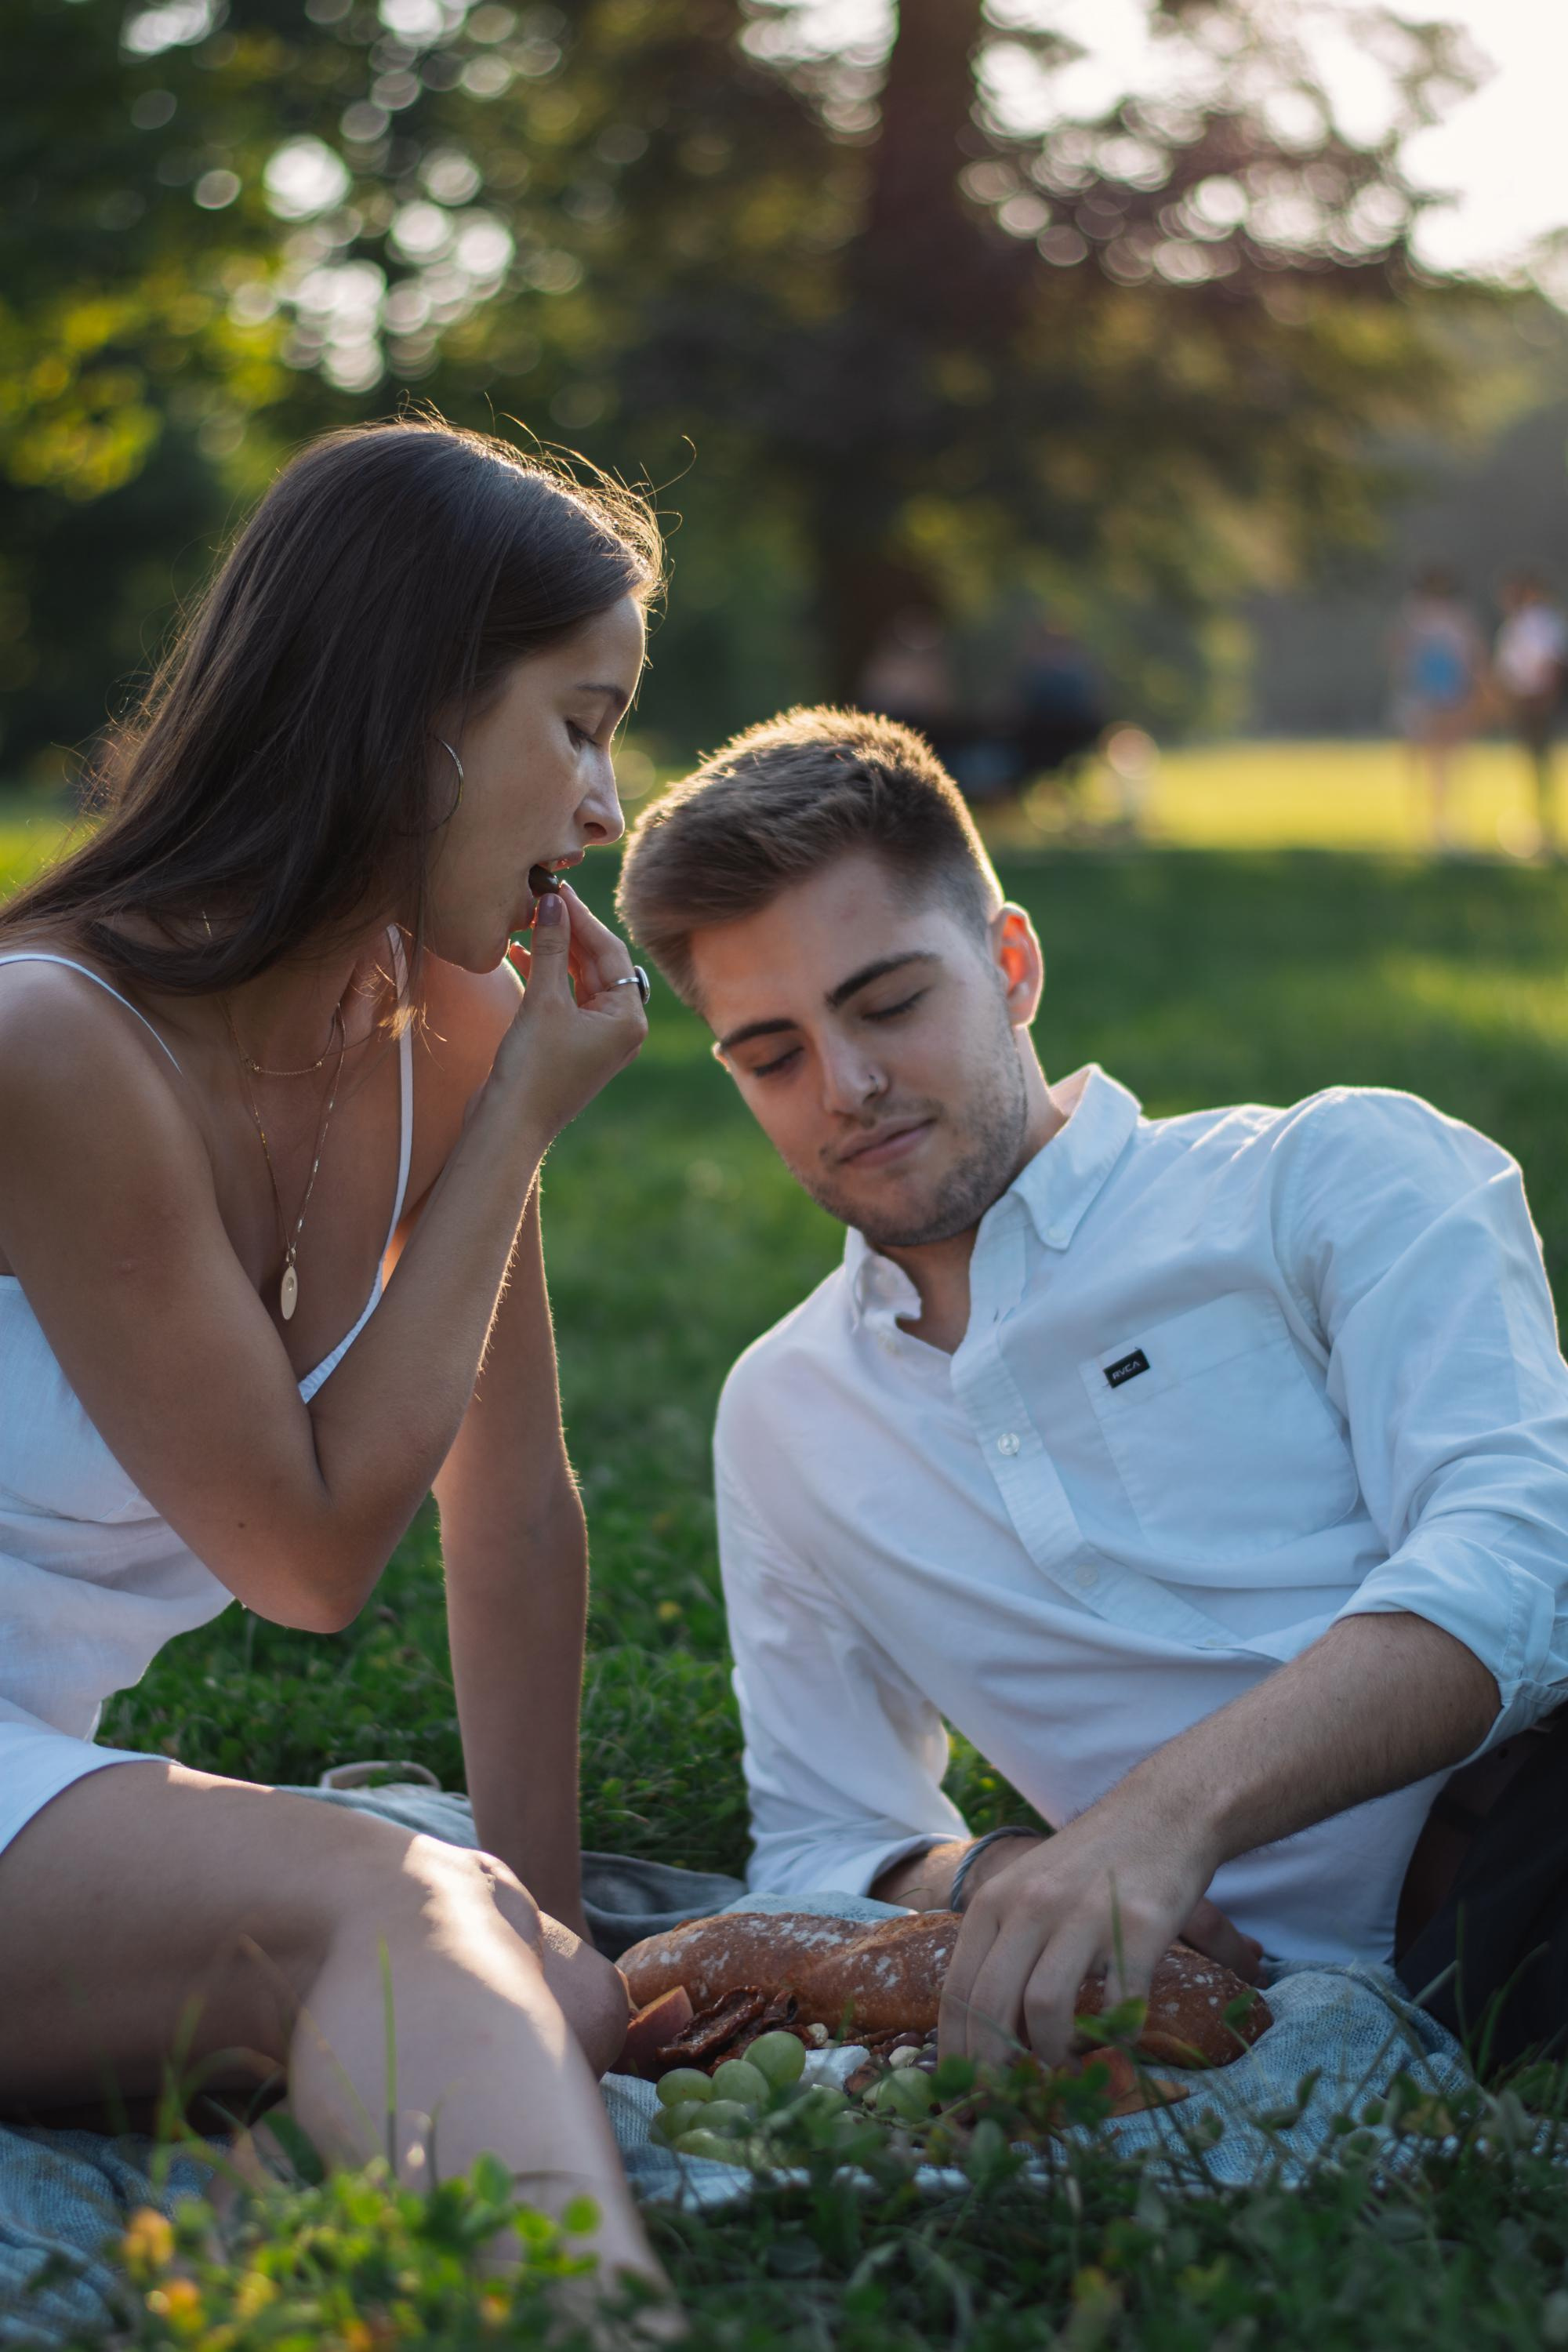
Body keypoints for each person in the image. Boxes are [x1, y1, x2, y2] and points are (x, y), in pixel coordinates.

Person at [616, 706, 1568, 2074]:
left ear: (1011, 966)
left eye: (889, 1003)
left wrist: (1157, 1822)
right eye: (773, 1056)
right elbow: (824, 1839)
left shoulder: (1332, 1176)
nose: (851, 1084)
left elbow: (1526, 1553)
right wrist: (1008, 1875)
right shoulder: (786, 1415)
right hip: (1252, 2011)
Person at [0, 419, 665, 2292]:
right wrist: (520, 1125)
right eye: (580, 721)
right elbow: (303, 1558)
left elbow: (509, 1505)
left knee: (518, 1971)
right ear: (416, 713)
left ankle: (269, 2246)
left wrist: (551, 1917)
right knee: (386, 1898)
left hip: (26, 1770)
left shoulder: (441, 1027)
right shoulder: (57, 1043)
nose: (606, 805)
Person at [1389, 565, 1486, 852]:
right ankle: (1429, 821)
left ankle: (1441, 821)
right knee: (1431, 760)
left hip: (1447, 695)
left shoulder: (1450, 618)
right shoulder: (1417, 617)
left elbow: (1471, 656)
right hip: (1427, 695)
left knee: (1444, 760)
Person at [1494, 573, 1566, 857]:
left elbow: (1550, 664)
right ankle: (1541, 824)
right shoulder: (1522, 623)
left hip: (1536, 702)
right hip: (1526, 701)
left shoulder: (1541, 623)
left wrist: (1543, 699)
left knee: (1541, 765)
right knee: (1535, 765)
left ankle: (1546, 828)